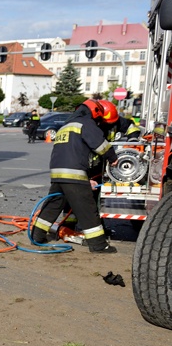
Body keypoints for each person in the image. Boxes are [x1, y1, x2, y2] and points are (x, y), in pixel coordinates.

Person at [31, 99, 119, 253]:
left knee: (53, 204)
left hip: (57, 172)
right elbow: (100, 145)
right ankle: (99, 245)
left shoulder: (65, 126)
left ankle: (37, 236)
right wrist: (113, 158)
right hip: (74, 173)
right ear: (95, 112)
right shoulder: (86, 124)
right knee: (87, 208)